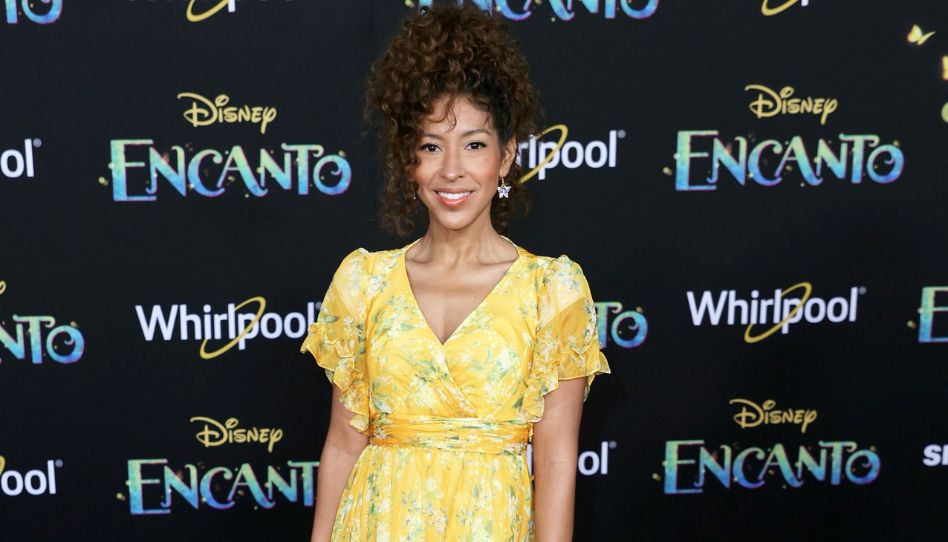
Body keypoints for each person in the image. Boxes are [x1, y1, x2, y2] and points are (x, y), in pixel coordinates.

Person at [301, 5, 610, 541]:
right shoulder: (363, 283)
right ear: (410, 161)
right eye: (430, 146)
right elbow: (343, 445)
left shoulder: (551, 292)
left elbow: (556, 461)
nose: (451, 170)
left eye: (474, 145)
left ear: (505, 157)